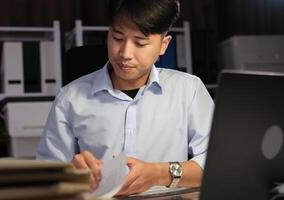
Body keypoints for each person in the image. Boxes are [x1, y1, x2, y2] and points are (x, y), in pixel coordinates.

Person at [37, 0, 214, 196]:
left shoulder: (188, 90)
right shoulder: (70, 98)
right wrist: (71, 172)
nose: (125, 54)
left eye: (140, 43)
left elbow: (217, 162)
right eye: (118, 38)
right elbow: (46, 177)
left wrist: (158, 173)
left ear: (163, 46)